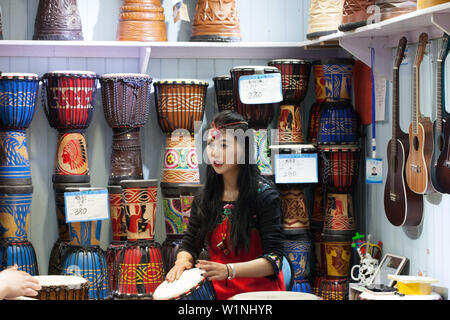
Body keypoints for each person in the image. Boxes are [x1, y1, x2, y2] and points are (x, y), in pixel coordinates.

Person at [165, 111, 286, 300]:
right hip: (217, 292)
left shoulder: (264, 197)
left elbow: (275, 260)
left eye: (223, 145)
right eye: (210, 144)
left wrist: (229, 270)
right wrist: (182, 260)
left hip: (261, 294)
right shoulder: (204, 198)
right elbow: (189, 245)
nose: (214, 152)